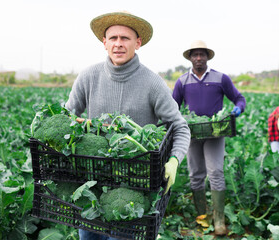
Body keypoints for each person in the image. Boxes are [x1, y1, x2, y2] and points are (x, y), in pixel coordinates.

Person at [65, 11, 191, 240]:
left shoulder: (152, 83)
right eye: (113, 38)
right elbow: (67, 117)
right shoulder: (88, 77)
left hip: (133, 186)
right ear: (104, 43)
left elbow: (180, 127)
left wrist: (174, 160)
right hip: (92, 183)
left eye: (125, 38)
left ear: (138, 43)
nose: (118, 44)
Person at [172, 40, 246, 235]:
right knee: (195, 174)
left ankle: (219, 219)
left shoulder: (220, 79)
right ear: (189, 58)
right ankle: (202, 216)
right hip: (193, 134)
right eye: (194, 55)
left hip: (215, 133)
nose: (198, 58)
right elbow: (173, 107)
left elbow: (239, 98)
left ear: (207, 57)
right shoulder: (182, 82)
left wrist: (238, 108)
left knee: (216, 172)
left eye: (202, 54)